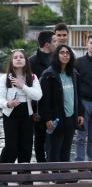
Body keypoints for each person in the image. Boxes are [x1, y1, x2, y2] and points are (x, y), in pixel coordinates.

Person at [40, 45, 84, 162]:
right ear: (56, 55)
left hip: (70, 117)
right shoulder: (49, 74)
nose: (65, 55)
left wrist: (80, 113)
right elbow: (45, 100)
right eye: (62, 52)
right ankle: (54, 174)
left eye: (67, 53)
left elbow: (78, 95)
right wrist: (48, 118)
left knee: (67, 147)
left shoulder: (73, 73)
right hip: (55, 118)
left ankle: (64, 172)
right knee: (54, 148)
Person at [0, 50, 43, 164]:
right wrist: (8, 104)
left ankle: (24, 178)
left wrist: (22, 86)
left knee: (26, 147)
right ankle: (4, 175)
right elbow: (0, 99)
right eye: (15, 57)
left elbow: (38, 96)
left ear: (25, 60)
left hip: (27, 115)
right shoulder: (4, 78)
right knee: (11, 148)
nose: (18, 59)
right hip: (10, 115)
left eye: (21, 57)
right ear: (12, 61)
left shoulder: (33, 77)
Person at [29, 31, 56, 163]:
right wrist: (33, 110)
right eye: (55, 41)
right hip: (38, 107)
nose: (57, 44)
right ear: (47, 44)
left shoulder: (57, 59)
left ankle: (53, 165)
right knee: (39, 139)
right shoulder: (31, 62)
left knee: (54, 138)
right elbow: (28, 87)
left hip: (54, 105)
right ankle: (41, 166)